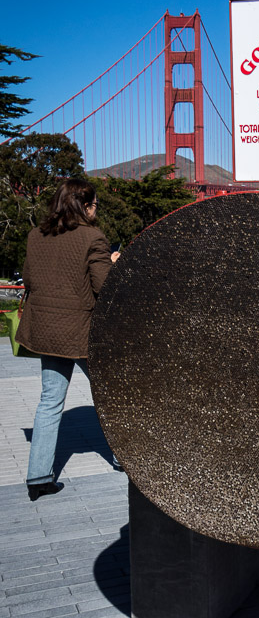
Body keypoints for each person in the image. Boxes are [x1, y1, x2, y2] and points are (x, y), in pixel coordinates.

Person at [16, 178, 120, 500]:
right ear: (84, 206)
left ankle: (38, 478)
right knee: (112, 396)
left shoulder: (36, 235)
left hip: (47, 331)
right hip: (82, 331)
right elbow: (105, 287)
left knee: (50, 401)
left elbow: (30, 278)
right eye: (94, 205)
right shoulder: (93, 238)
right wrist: (115, 263)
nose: (95, 210)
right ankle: (125, 458)